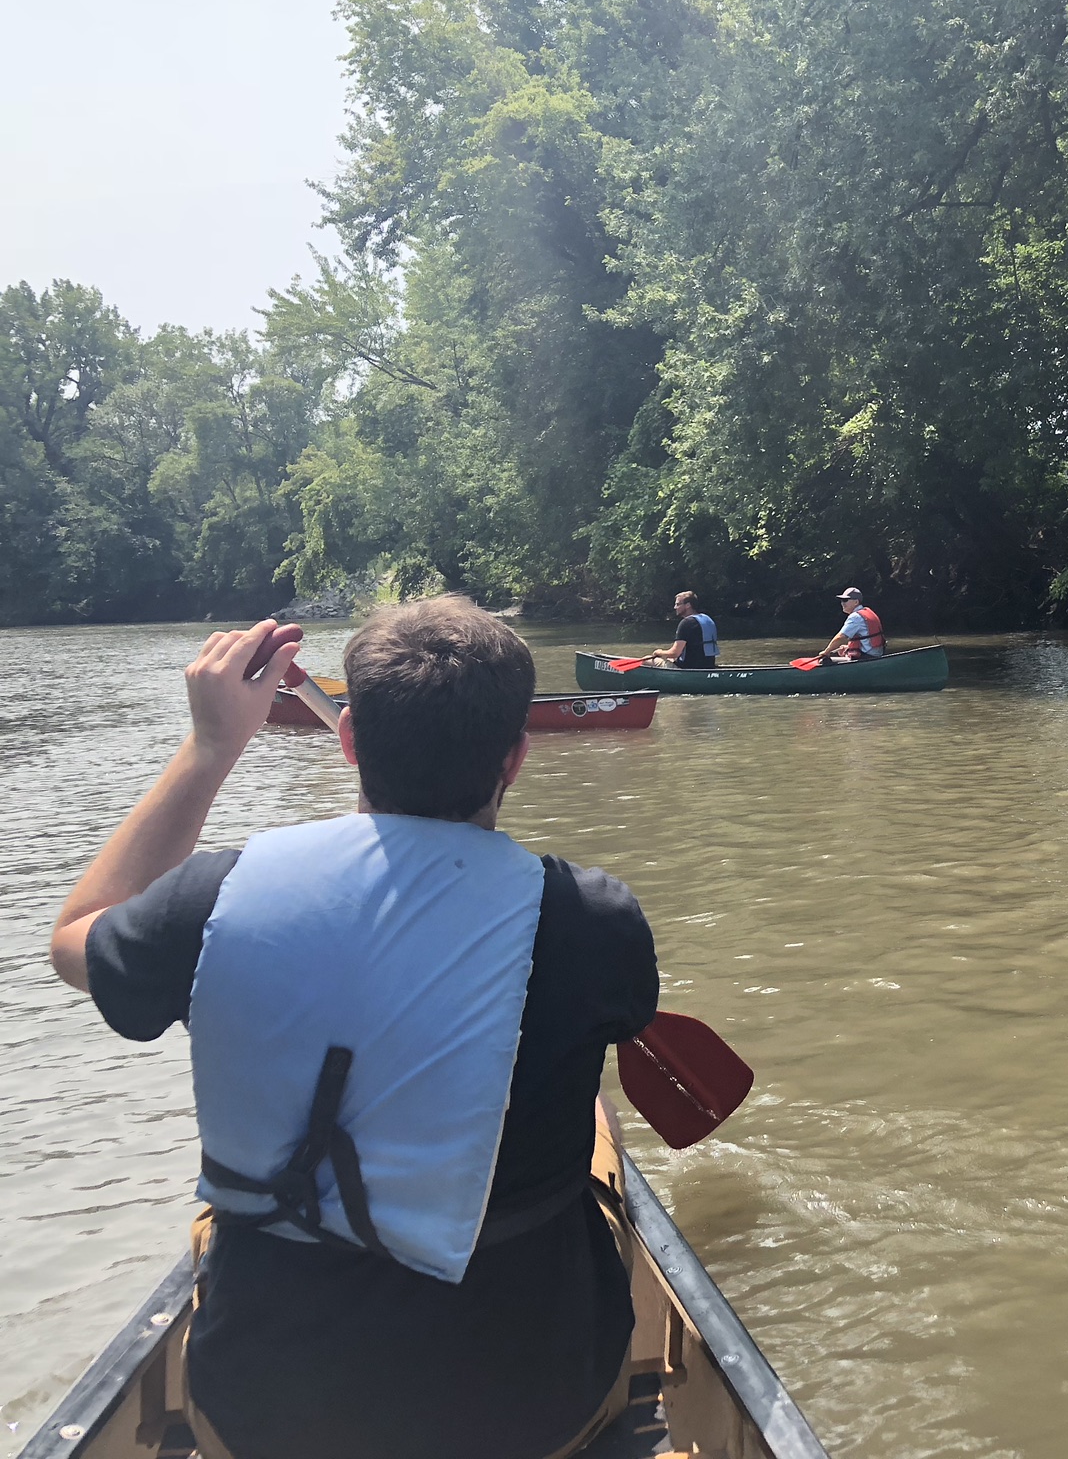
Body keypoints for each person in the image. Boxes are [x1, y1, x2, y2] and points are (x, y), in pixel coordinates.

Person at [48, 598, 658, 1459]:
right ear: (515, 760)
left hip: (271, 1408)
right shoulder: (594, 921)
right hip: (534, 1406)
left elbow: (78, 936)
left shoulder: (212, 900)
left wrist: (211, 747)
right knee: (593, 1115)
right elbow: (627, 1016)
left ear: (348, 744)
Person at [815, 586, 886, 662]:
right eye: (841, 600)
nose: (842, 603)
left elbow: (840, 637)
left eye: (845, 600)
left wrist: (826, 652)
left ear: (856, 602)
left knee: (823, 661)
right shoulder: (867, 612)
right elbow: (866, 640)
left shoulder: (855, 617)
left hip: (866, 657)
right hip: (876, 655)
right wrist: (848, 647)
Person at [652, 589, 718, 668]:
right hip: (708, 666)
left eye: (677, 604)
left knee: (645, 660)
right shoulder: (708, 620)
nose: (675, 607)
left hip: (687, 668)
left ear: (688, 605)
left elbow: (675, 653)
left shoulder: (686, 623)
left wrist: (660, 652)